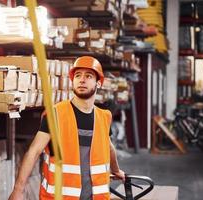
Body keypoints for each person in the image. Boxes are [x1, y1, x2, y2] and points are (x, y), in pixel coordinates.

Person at [9, 56, 125, 200]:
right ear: (72, 81)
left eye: (88, 76)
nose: (82, 80)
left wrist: (116, 170)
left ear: (99, 83)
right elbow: (33, 152)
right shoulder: (56, 114)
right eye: (78, 76)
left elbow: (108, 146)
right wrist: (18, 190)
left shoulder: (104, 117)